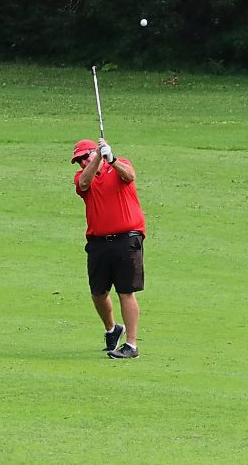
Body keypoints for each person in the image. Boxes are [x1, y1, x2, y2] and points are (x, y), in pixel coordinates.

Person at [71, 137, 145, 359]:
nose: (82, 163)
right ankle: (113, 329)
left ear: (94, 151)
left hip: (127, 238)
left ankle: (131, 345)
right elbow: (84, 183)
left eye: (85, 157)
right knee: (98, 292)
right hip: (98, 242)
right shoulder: (82, 177)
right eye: (79, 161)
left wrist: (111, 159)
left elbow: (130, 176)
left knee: (125, 291)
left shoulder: (120, 164)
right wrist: (96, 160)